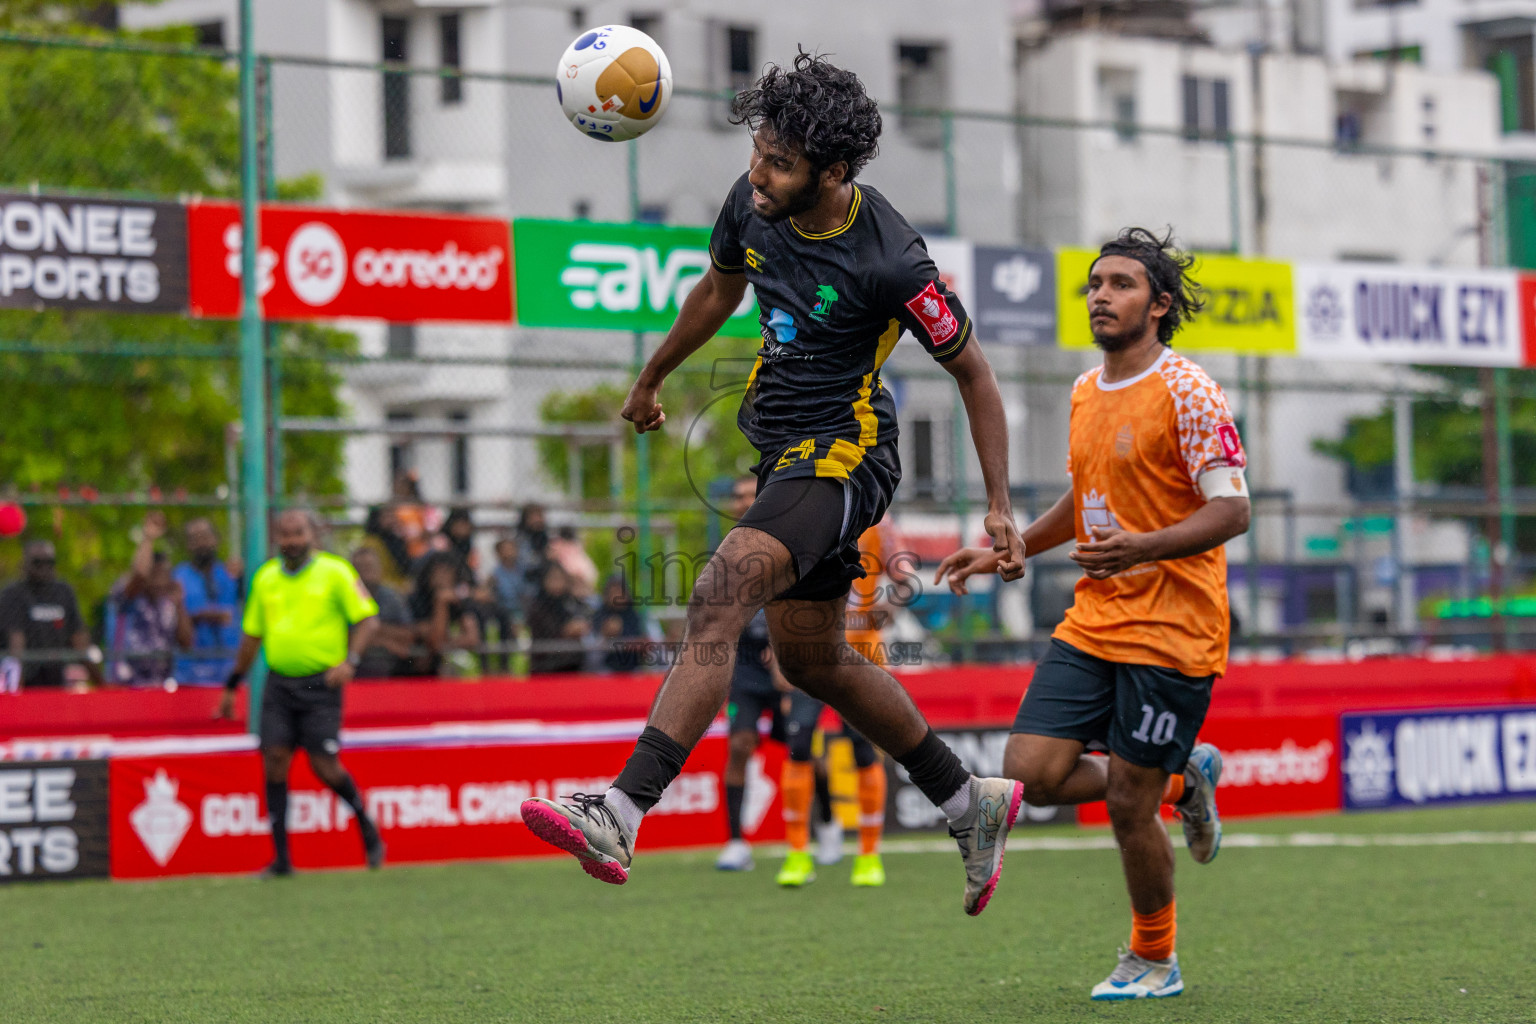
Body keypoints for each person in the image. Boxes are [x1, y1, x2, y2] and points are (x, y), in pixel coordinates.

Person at [520, 52, 1027, 918]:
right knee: (813, 658)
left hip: (845, 454)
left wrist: (999, 505)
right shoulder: (751, 198)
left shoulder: (894, 259)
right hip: (780, 450)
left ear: (833, 172)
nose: (758, 173)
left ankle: (621, 807)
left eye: (780, 163)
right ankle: (964, 799)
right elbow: (718, 291)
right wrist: (651, 379)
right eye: (757, 151)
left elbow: (974, 376)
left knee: (720, 593)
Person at [935, 227, 1250, 1000]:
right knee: (1031, 776)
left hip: (1173, 630)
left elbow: (1233, 510)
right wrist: (1011, 550)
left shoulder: (1190, 391)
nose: (1101, 296)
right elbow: (1087, 500)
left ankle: (1153, 958)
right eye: (1095, 284)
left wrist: (1142, 549)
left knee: (1124, 803)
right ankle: (1189, 779)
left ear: (1160, 304)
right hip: (1095, 620)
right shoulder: (1083, 391)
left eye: (1121, 284)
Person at [217, 510, 385, 876]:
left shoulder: (336, 571)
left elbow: (369, 620)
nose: (292, 541)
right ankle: (281, 859)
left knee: (324, 767)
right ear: (277, 538)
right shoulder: (265, 578)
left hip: (321, 683)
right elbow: (251, 636)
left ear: (312, 534)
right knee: (274, 761)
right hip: (278, 683)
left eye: (298, 533)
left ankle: (366, 827)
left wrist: (350, 660)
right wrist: (233, 685)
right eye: (285, 534)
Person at [0, 539, 101, 689]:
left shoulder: (64, 592)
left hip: (56, 682)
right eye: (37, 562)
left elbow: (79, 642)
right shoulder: (13, 594)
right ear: (25, 564)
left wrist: (103, 685)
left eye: (50, 562)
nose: (44, 567)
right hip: (25, 683)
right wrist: (17, 695)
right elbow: (16, 648)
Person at [107, 512, 192, 687]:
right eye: (156, 574)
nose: (162, 580)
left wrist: (179, 604)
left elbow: (186, 643)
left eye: (166, 574)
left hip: (161, 686)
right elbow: (139, 574)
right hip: (127, 685)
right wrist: (149, 537)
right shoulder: (128, 595)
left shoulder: (168, 605)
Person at [173, 517, 243, 686]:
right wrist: (200, 616)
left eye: (205, 536)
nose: (201, 543)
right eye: (195, 539)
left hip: (230, 669)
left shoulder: (231, 574)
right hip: (191, 672)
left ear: (216, 539)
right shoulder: (178, 577)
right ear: (188, 545)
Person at [407, 552, 481, 677]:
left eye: (447, 572)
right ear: (429, 573)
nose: (442, 577)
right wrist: (440, 602)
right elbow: (436, 641)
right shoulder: (416, 600)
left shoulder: (456, 601)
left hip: (448, 662)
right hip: (418, 668)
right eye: (438, 572)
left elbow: (472, 638)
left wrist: (446, 643)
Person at [350, 546, 416, 680]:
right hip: (354, 665)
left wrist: (368, 632)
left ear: (380, 569)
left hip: (391, 667)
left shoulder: (392, 597)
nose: (366, 572)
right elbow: (344, 637)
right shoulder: (347, 596)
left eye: (370, 566)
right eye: (361, 567)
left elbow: (408, 635)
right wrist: (387, 641)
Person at [526, 562, 590, 674]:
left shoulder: (571, 603)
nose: (557, 583)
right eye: (553, 578)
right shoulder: (538, 606)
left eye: (560, 578)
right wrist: (565, 631)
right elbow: (542, 637)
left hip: (573, 665)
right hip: (546, 667)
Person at [594, 573, 646, 672]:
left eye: (620, 591)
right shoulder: (600, 614)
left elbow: (649, 640)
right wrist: (605, 634)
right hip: (606, 668)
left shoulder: (636, 615)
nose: (617, 595)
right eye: (613, 591)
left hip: (634, 668)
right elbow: (592, 651)